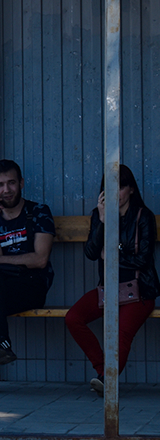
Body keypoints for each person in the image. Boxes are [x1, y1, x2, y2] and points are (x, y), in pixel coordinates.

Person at [65, 165, 158, 396]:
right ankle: (103, 373)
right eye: (110, 187)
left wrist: (114, 250)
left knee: (121, 333)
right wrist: (105, 221)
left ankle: (108, 380)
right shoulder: (99, 215)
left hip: (140, 292)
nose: (115, 192)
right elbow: (91, 253)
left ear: (131, 190)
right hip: (108, 290)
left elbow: (143, 259)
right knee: (73, 318)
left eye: (121, 186)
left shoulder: (143, 217)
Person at [0, 159, 55, 395]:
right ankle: (0, 342)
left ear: (21, 183)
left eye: (11, 183)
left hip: (32, 286)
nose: (6, 190)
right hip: (1, 288)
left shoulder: (38, 212)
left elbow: (40, 259)